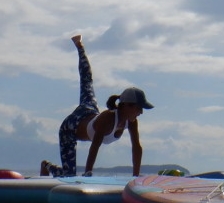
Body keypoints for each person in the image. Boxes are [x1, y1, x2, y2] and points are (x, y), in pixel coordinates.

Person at [39, 35, 153, 177]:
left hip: (89, 109)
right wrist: (88, 172)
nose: (141, 112)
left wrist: (135, 177)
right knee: (69, 174)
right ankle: (46, 165)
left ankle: (80, 46)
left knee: (87, 82)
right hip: (70, 128)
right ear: (126, 106)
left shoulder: (132, 122)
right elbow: (95, 146)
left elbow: (137, 147)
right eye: (138, 108)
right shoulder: (107, 118)